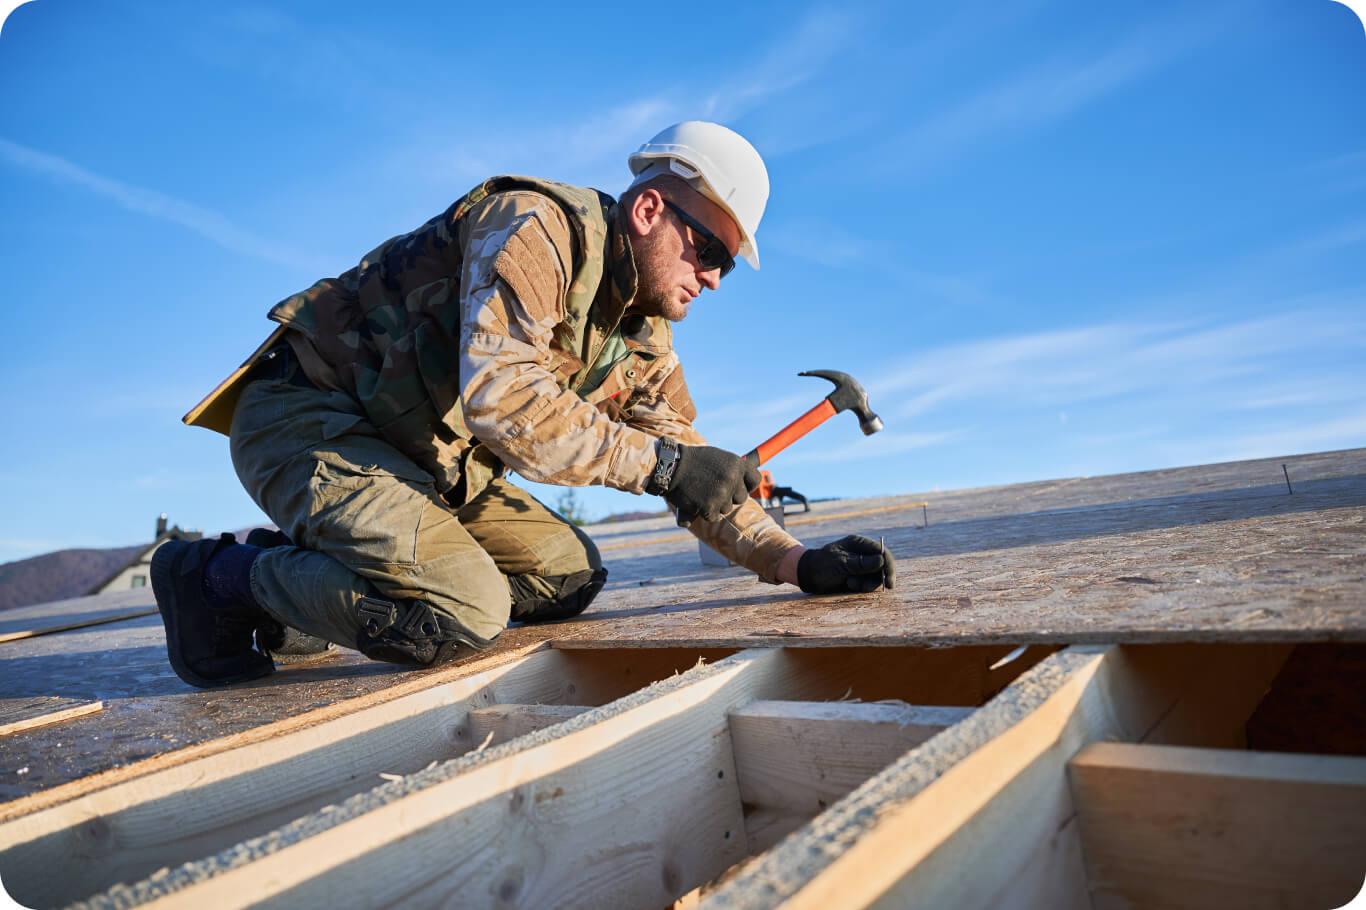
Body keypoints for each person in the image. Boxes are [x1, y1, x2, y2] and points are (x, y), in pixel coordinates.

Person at [153, 121, 895, 688]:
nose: (715, 279)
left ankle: (314, 584)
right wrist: (666, 468)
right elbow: (503, 400)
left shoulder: (641, 336)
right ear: (648, 211)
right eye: (710, 252)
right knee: (463, 612)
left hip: (419, 463)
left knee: (565, 575)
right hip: (311, 421)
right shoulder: (535, 229)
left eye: (728, 265)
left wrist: (795, 564)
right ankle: (214, 578)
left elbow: (692, 466)